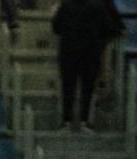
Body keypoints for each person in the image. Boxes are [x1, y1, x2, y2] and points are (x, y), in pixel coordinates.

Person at [51, 0, 120, 132]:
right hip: (90, 54)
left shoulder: (66, 5)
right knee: (87, 88)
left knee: (67, 87)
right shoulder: (98, 6)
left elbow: (56, 27)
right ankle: (85, 122)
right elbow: (110, 29)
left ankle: (66, 121)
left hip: (68, 53)